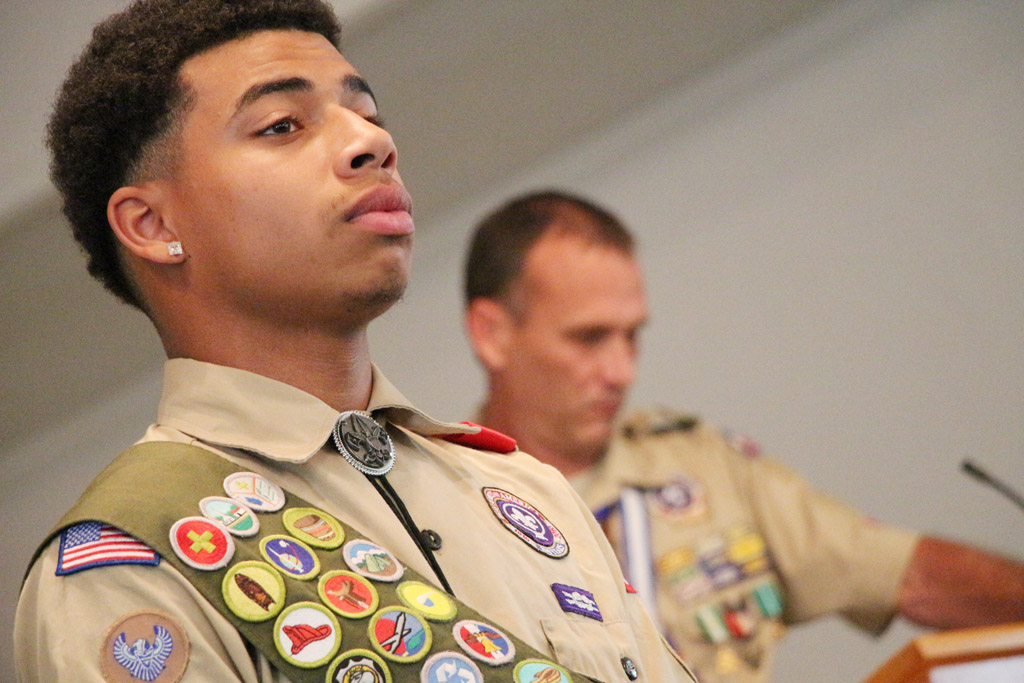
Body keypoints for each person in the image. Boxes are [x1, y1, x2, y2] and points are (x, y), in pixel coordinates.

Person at [15, 4, 697, 682]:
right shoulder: (133, 561)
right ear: (152, 223)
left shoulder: (527, 490)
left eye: (368, 113)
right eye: (282, 125)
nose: (371, 142)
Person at [462, 189, 1024, 683]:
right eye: (589, 338)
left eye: (632, 336)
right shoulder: (448, 508)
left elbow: (909, 576)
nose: (622, 371)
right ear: (493, 335)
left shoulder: (701, 466)